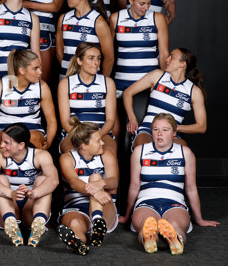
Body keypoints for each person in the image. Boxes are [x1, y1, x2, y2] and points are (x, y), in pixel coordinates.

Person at [118, 113, 219, 255]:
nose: (160, 134)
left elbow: (191, 189)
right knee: (145, 223)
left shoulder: (185, 153)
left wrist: (199, 219)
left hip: (175, 202)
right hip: (146, 202)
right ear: (151, 131)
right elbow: (134, 186)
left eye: (165, 130)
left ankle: (176, 239)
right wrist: (127, 215)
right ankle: (148, 238)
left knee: (175, 225)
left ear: (174, 132)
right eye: (155, 129)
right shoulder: (140, 151)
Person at [0, 123, 58, 247]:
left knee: (43, 180)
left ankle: (39, 221)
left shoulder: (40, 155)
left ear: (21, 145)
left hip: (31, 206)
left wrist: (34, 193)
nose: (2, 145)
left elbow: (54, 180)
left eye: (7, 143)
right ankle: (10, 220)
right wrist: (11, 193)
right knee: (0, 178)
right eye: (2, 141)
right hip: (6, 206)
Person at [123, 48, 207, 149]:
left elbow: (202, 126)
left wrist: (175, 127)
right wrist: (132, 118)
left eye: (172, 57)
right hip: (148, 129)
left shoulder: (194, 92)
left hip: (172, 134)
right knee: (144, 149)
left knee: (185, 154)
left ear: (182, 64)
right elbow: (127, 92)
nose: (167, 60)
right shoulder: (157, 76)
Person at [58, 117, 119, 255]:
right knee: (74, 224)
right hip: (76, 206)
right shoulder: (67, 158)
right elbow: (74, 182)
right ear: (84, 145)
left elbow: (114, 181)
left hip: (104, 208)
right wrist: (94, 191)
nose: (103, 143)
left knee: (96, 177)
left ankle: (97, 224)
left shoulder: (106, 155)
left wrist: (100, 184)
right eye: (98, 140)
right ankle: (79, 243)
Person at [0, 49, 56, 150]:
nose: (40, 72)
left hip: (33, 130)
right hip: (5, 129)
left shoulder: (42, 87)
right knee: (7, 139)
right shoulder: (0, 86)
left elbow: (51, 120)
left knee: (33, 138)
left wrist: (48, 142)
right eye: (35, 68)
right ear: (22, 70)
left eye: (39, 67)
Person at [110, 0, 169, 96]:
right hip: (122, 83)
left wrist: (163, 83)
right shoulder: (115, 18)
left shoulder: (157, 18)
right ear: (131, 0)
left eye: (149, 3)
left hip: (150, 85)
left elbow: (164, 53)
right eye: (142, 4)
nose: (146, 8)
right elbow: (108, 53)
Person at [58, 43, 117, 155]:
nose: (96, 63)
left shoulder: (108, 83)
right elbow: (65, 122)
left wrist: (97, 136)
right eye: (91, 58)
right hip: (74, 133)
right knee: (72, 153)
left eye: (98, 58)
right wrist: (82, 137)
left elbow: (110, 120)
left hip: (102, 133)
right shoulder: (65, 84)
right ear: (79, 61)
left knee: (109, 152)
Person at [55, 0, 114, 79]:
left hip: (91, 85)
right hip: (66, 81)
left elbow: (109, 58)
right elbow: (60, 51)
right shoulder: (63, 19)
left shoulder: (98, 23)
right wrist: (72, 72)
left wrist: (101, 83)